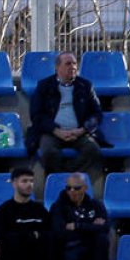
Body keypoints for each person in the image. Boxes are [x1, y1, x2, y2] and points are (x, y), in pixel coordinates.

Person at [27, 52, 103, 182]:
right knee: (49, 153)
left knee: (93, 150)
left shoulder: (85, 86)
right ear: (57, 68)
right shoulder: (44, 86)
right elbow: (36, 115)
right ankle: (62, 182)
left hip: (78, 132)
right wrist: (56, 131)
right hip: (52, 132)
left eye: (74, 63)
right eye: (68, 64)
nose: (72, 67)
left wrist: (82, 130)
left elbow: (97, 114)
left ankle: (66, 177)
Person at [0, 165, 54, 260]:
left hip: (37, 254)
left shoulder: (40, 210)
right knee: (11, 240)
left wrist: (24, 235)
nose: (29, 185)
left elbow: (49, 234)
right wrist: (32, 235)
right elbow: (2, 237)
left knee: (51, 240)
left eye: (31, 181)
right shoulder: (2, 211)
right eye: (24, 181)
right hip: (14, 256)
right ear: (14, 183)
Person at [50, 172, 110, 260]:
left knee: (102, 239)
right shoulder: (58, 207)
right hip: (70, 250)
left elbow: (105, 227)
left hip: (91, 251)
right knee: (69, 256)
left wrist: (77, 226)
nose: (72, 191)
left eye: (76, 188)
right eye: (68, 188)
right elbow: (59, 232)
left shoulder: (95, 205)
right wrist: (91, 227)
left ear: (85, 188)